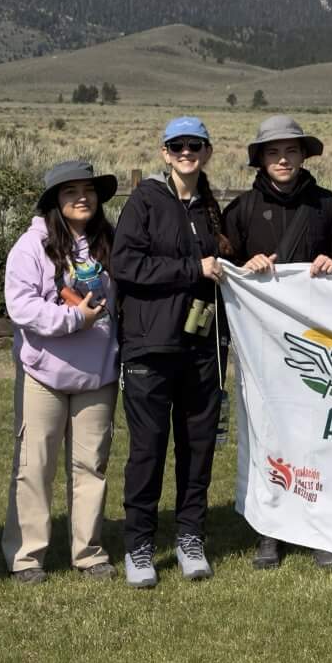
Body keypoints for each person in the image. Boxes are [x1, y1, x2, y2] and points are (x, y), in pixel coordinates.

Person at [223, 114, 332, 569]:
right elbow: (225, 267)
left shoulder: (326, 206)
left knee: (321, 434)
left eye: (291, 151)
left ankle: (321, 526)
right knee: (266, 432)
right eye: (274, 152)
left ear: (304, 156)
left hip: (317, 348)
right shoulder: (241, 210)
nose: (283, 160)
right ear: (260, 158)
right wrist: (246, 265)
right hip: (262, 348)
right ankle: (270, 528)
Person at [112, 117, 229, 588]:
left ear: (207, 151)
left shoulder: (210, 207)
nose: (187, 153)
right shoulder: (144, 202)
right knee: (148, 450)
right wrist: (191, 268)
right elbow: (126, 264)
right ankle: (139, 545)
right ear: (164, 152)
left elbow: (224, 261)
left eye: (195, 145)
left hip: (200, 348)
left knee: (197, 448)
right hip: (149, 348)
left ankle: (190, 537)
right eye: (177, 146)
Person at [4, 160, 123, 583]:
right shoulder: (31, 246)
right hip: (44, 375)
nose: (82, 197)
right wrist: (73, 320)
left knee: (91, 465)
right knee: (35, 464)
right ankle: (27, 557)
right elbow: (21, 306)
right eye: (71, 190)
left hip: (98, 376)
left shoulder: (111, 242)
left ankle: (89, 552)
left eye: (88, 189)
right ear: (55, 199)